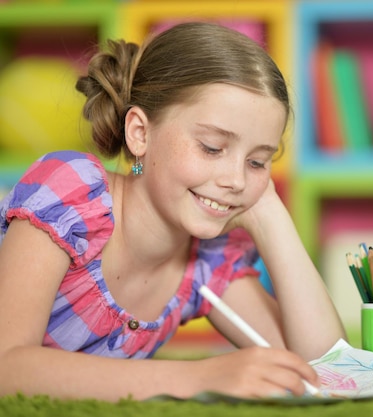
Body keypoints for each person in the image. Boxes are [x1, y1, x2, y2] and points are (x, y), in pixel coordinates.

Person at [0, 22, 345, 401]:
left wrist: (270, 215)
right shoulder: (70, 193)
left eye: (258, 161)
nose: (235, 179)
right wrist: (194, 377)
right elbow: (7, 365)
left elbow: (326, 367)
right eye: (212, 148)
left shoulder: (206, 262)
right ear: (140, 134)